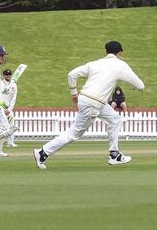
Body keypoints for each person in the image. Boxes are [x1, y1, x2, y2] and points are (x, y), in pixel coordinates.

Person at [33, 41, 144, 170]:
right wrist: (137, 88)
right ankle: (42, 153)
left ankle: (114, 154)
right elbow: (140, 85)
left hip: (90, 100)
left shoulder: (94, 64)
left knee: (115, 119)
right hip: (93, 103)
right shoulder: (120, 65)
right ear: (120, 53)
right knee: (74, 133)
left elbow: (71, 74)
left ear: (105, 51)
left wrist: (74, 93)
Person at [1, 69, 18, 147]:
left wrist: (9, 109)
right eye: (6, 75)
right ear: (4, 75)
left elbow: (14, 98)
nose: (8, 76)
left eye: (9, 75)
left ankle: (10, 143)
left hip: (9, 109)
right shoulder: (0, 84)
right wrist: (3, 107)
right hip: (0, 108)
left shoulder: (14, 85)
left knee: (12, 125)